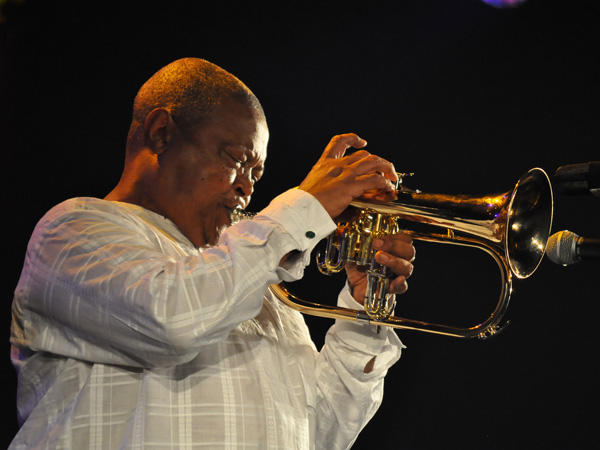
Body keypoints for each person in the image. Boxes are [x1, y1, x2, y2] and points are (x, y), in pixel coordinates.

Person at [9, 58, 415, 449]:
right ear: (161, 133)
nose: (248, 189)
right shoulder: (73, 230)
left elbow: (319, 436)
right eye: (238, 160)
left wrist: (363, 312)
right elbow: (171, 320)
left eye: (258, 174)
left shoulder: (259, 285)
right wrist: (304, 208)